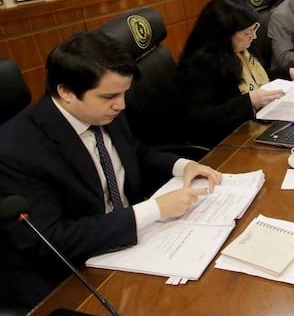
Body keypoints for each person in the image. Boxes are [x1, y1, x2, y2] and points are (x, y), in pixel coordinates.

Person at [0, 31, 222, 309]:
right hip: (76, 273)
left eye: (123, 93)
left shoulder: (103, 110)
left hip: (140, 244)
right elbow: (50, 241)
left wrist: (182, 165)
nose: (121, 104)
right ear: (66, 92)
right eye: (110, 96)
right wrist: (154, 210)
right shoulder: (16, 150)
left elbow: (133, 154)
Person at [177, 0, 294, 146]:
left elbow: (258, 78)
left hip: (263, 123)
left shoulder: (243, 47)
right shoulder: (200, 64)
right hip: (231, 141)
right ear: (224, 34)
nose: (254, 36)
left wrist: (288, 73)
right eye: (247, 32)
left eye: (254, 29)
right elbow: (199, 117)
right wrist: (249, 102)